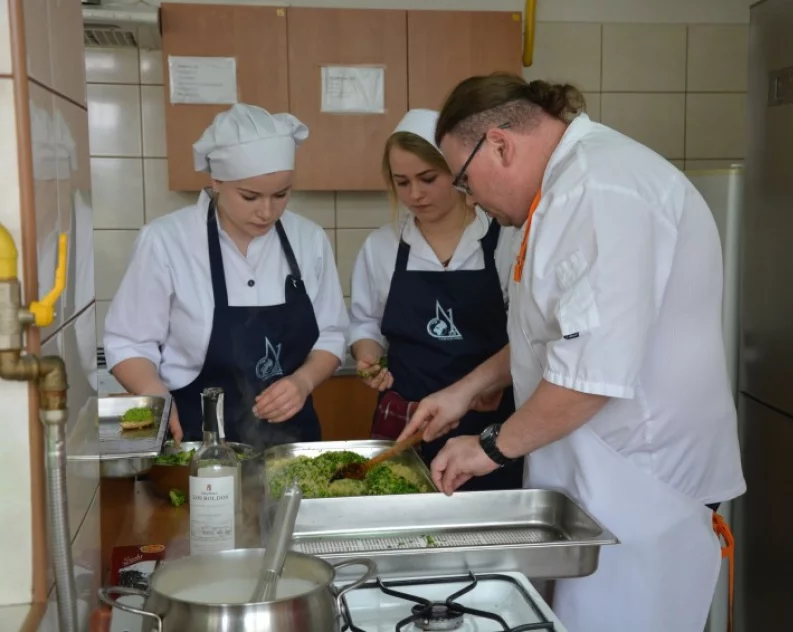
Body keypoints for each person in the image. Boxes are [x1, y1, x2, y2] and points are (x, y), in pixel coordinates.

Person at [397, 74, 746, 632]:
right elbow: (554, 337)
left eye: (464, 180)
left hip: (641, 486)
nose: (470, 200)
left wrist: (489, 447)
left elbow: (591, 376)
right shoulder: (559, 192)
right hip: (594, 476)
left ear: (501, 145)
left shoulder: (599, 188)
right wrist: (463, 391)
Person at [103, 103, 349, 450]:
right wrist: (154, 393)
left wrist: (304, 382)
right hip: (195, 443)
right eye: (250, 196)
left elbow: (332, 334)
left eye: (281, 194)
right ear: (216, 181)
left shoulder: (309, 239)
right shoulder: (166, 241)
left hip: (292, 446)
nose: (267, 211)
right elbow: (128, 342)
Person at [348, 109, 524, 491]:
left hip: (493, 430)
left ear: (460, 172)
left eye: (428, 178)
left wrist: (481, 386)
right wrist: (367, 356)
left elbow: (530, 336)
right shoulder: (382, 247)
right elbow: (365, 323)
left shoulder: (505, 241)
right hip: (408, 427)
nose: (415, 194)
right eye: (402, 182)